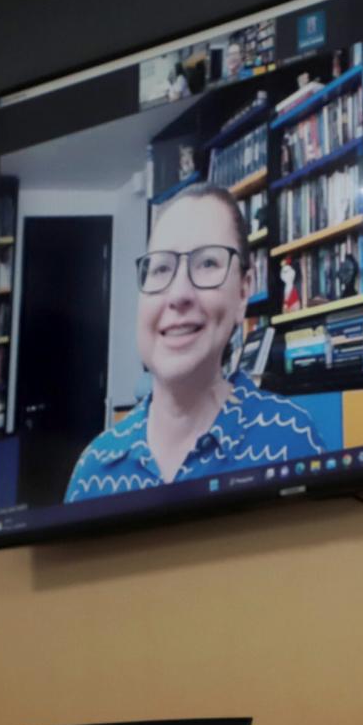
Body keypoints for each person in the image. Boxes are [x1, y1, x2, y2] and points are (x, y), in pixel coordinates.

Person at [65, 184, 324, 500]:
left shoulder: (292, 442)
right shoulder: (94, 471)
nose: (178, 295)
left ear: (243, 292)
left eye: (207, 264)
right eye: (161, 268)